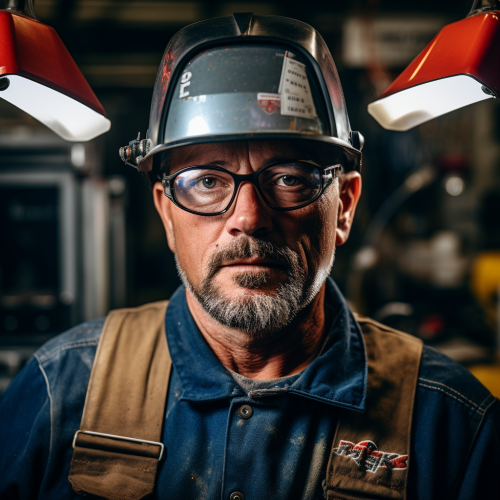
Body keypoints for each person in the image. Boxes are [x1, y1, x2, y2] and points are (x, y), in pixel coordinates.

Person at [1, 13, 499, 500]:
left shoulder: (451, 424)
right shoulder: (62, 390)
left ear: (343, 206)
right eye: (207, 182)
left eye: (289, 178)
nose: (248, 217)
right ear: (166, 216)